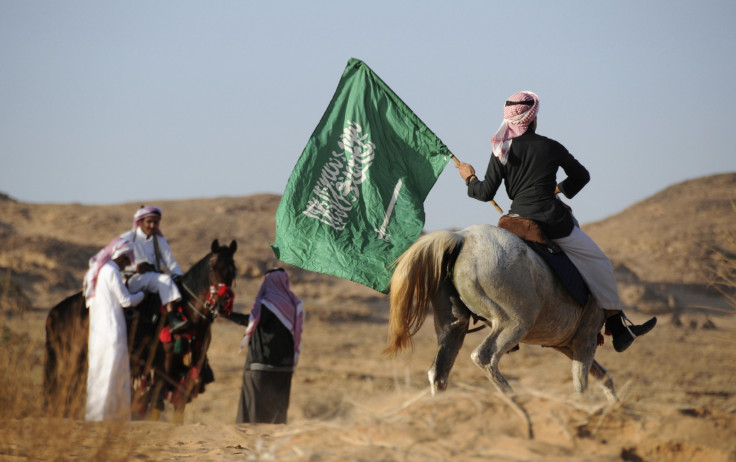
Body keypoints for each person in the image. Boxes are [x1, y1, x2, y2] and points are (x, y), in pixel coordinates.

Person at [455, 90, 656, 353]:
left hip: (514, 222)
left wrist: (469, 178)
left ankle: (500, 326)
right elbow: (582, 176)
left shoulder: (500, 150)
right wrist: (558, 190)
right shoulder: (550, 146)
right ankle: (618, 328)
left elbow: (484, 193)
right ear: (533, 119)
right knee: (600, 263)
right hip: (551, 222)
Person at [83, 238, 145, 421]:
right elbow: (126, 300)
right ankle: (109, 416)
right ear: (121, 256)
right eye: (127, 260)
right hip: (112, 330)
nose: (127, 264)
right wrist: (143, 294)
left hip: (99, 331)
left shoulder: (101, 270)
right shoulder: (111, 271)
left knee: (99, 372)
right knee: (112, 371)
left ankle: (97, 415)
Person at [233, 268, 304, 424]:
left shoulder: (268, 304)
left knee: (253, 418)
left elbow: (252, 321)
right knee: (276, 419)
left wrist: (227, 315)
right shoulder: (293, 305)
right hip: (284, 369)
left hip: (261, 368)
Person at [120, 205, 187, 333]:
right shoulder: (127, 238)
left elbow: (170, 262)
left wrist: (178, 276)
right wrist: (136, 267)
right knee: (165, 280)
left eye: (155, 222)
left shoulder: (160, 241)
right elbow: (116, 262)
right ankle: (173, 319)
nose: (152, 225)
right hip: (134, 279)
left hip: (153, 278)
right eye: (149, 222)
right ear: (140, 222)